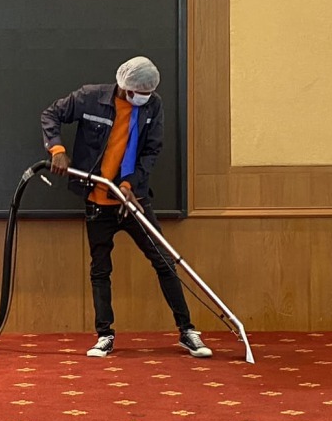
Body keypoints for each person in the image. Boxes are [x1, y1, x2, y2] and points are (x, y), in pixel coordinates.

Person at [40, 57, 212, 359]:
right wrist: (57, 149)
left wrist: (131, 184)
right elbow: (51, 114)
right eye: (139, 92)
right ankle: (104, 335)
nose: (144, 96)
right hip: (97, 202)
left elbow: (151, 150)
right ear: (123, 86)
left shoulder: (153, 105)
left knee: (164, 262)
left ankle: (187, 331)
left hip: (134, 202)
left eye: (148, 92)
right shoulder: (90, 98)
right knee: (100, 269)